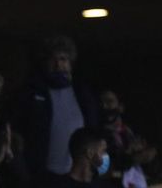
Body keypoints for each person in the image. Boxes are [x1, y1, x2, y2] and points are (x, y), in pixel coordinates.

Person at [16, 35, 100, 179]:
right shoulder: (33, 92)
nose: (58, 65)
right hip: (43, 174)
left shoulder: (82, 94)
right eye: (53, 59)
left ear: (70, 63)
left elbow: (94, 128)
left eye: (63, 59)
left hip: (77, 174)